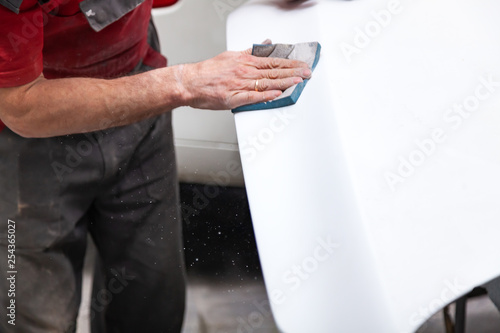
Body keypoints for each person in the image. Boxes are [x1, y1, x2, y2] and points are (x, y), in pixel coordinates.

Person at [0, 0, 311, 332]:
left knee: (150, 304)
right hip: (29, 143)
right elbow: (20, 106)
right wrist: (182, 84)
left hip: (138, 105)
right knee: (31, 316)